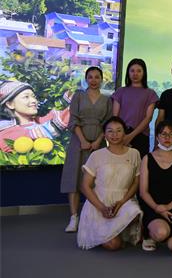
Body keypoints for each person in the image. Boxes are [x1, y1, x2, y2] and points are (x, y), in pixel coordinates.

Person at [76, 117, 142, 250]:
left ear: (124, 133)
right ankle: (111, 232)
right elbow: (85, 186)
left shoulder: (134, 153)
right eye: (110, 131)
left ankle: (118, 230)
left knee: (135, 214)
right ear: (104, 134)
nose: (114, 135)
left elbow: (136, 182)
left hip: (123, 199)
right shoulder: (96, 155)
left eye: (118, 131)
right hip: (100, 201)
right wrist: (101, 208)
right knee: (113, 245)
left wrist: (122, 202)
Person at [60, 66, 112, 233]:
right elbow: (73, 120)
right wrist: (82, 140)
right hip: (78, 143)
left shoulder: (107, 99)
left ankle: (93, 217)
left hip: (99, 144)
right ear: (86, 79)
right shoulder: (78, 96)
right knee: (74, 179)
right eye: (90, 77)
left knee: (97, 181)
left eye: (97, 77)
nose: (94, 80)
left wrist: (98, 141)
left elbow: (108, 123)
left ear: (102, 79)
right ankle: (74, 218)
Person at [138, 120, 172, 255]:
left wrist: (169, 206)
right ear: (157, 137)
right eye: (163, 134)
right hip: (153, 206)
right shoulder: (147, 158)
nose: (167, 137)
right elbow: (143, 192)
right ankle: (148, 233)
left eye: (171, 134)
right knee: (161, 233)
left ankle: (167, 233)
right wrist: (157, 208)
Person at [0, 80, 70, 152]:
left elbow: (57, 111)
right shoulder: (6, 132)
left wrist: (72, 92)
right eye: (26, 97)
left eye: (34, 97)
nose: (34, 100)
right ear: (10, 104)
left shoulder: (38, 121)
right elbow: (47, 129)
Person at [112, 58, 158, 158]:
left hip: (141, 135)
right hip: (121, 134)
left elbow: (148, 118)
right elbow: (115, 117)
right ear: (128, 73)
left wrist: (131, 136)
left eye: (139, 71)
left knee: (139, 165)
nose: (135, 74)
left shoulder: (150, 93)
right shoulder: (120, 91)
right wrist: (122, 135)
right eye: (132, 71)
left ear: (144, 73)